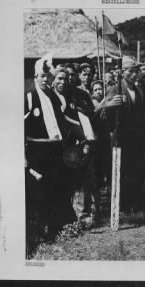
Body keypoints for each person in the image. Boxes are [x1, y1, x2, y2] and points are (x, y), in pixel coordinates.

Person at [100, 56, 145, 214]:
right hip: (120, 137)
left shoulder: (139, 91)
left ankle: (134, 204)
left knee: (136, 172)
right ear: (122, 72)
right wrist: (111, 105)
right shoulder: (115, 89)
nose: (134, 75)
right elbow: (102, 113)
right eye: (130, 71)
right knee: (122, 172)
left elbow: (142, 117)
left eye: (136, 71)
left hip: (137, 139)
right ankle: (121, 206)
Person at [25, 54, 66, 243]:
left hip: (54, 151)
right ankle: (40, 230)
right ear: (35, 77)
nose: (44, 79)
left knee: (55, 188)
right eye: (41, 76)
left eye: (47, 76)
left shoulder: (54, 98)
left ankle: (54, 228)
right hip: (37, 152)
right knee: (39, 192)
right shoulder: (29, 98)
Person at [52, 67, 97, 225]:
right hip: (52, 146)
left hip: (73, 145)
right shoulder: (49, 97)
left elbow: (82, 121)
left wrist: (86, 142)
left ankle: (81, 216)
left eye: (67, 78)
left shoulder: (76, 96)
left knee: (78, 181)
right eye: (60, 78)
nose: (64, 81)